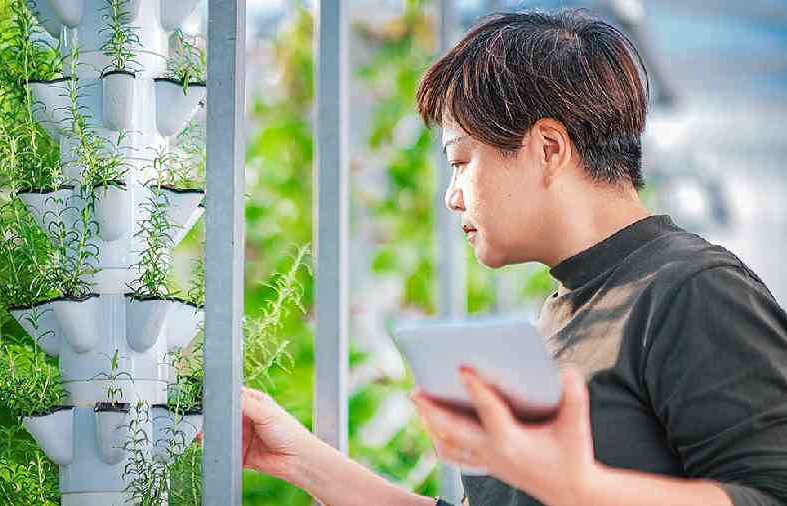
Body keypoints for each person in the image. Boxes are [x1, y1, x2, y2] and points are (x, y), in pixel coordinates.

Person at [233, 9, 787, 506]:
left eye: (459, 160)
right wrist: (299, 460)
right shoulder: (567, 307)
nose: (453, 196)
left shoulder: (695, 289)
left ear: (548, 149)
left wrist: (578, 490)